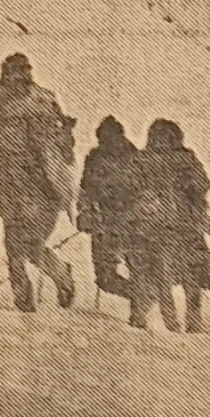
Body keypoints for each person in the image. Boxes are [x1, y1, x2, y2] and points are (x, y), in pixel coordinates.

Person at [0, 54, 77, 313]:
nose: (17, 81)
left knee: (27, 243)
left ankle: (59, 275)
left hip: (41, 187)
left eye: (22, 75)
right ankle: (25, 300)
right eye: (13, 76)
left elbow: (64, 148)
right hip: (10, 185)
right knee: (14, 245)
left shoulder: (43, 100)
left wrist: (65, 188)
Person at [126, 120, 210, 333]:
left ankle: (193, 322)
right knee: (161, 275)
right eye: (157, 136)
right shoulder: (143, 159)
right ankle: (170, 322)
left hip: (185, 227)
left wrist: (187, 186)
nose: (160, 141)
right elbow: (130, 186)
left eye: (165, 137)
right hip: (156, 229)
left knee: (190, 276)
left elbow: (202, 184)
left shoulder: (184, 157)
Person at [77, 117, 137, 300]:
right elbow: (85, 188)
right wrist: (85, 212)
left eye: (111, 139)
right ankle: (140, 295)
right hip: (103, 224)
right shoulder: (95, 157)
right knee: (104, 279)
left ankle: (140, 307)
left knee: (139, 272)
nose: (107, 144)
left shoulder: (136, 158)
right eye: (103, 139)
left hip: (133, 225)